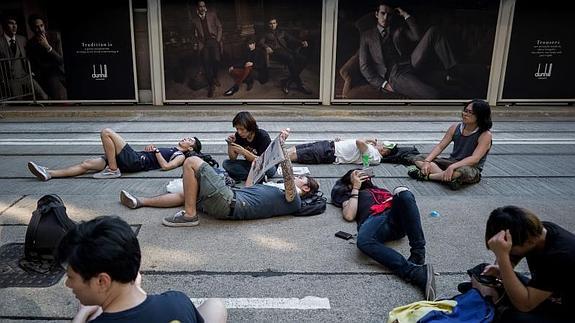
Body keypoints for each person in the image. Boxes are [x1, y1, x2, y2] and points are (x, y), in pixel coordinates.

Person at [119, 129, 320, 228]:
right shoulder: (276, 191)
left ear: (306, 188)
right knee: (188, 193)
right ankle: (140, 201)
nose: (298, 177)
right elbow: (249, 186)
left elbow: (287, 178)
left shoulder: (294, 200)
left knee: (192, 162)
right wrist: (256, 166)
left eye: (302, 178)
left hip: (229, 202)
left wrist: (281, 149)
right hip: (229, 201)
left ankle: (190, 216)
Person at [58, 216, 227, 323]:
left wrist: (81, 316)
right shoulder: (178, 302)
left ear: (102, 281)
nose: (68, 284)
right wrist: (135, 289)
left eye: (71, 277)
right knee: (215, 305)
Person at [331, 169, 435, 301]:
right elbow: (349, 215)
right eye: (356, 173)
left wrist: (400, 194)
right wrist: (355, 188)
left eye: (363, 172)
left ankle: (418, 255)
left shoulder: (379, 189)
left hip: (395, 215)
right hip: (375, 219)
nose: (362, 174)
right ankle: (414, 272)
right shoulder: (350, 194)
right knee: (363, 240)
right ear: (349, 182)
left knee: (404, 193)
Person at [481, 206, 574, 322]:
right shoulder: (533, 231)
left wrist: (502, 256)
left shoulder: (560, 256)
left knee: (511, 317)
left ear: (530, 241)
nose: (508, 253)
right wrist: (499, 267)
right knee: (481, 270)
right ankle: (492, 299)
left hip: (566, 309)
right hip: (548, 292)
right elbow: (514, 256)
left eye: (509, 249)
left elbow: (525, 305)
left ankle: (492, 302)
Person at [359, 2, 457, 99]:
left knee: (433, 31)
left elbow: (417, 37)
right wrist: (383, 84)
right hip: (395, 74)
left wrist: (406, 15)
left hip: (410, 62)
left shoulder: (397, 29)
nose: (385, 17)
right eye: (383, 13)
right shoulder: (367, 36)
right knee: (434, 95)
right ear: (377, 14)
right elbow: (364, 67)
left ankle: (452, 71)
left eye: (389, 15)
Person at [27, 128, 201, 180]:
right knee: (87, 164)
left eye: (190, 140)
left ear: (191, 149)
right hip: (130, 159)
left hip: (136, 161)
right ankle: (49, 173)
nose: (186, 138)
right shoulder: (174, 149)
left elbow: (166, 167)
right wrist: (155, 150)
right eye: (188, 137)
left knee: (106, 132)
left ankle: (112, 169)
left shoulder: (180, 156)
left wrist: (155, 151)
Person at [407, 99, 492, 190]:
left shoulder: (485, 135)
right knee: (418, 158)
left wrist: (452, 167)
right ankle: (447, 178)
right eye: (465, 111)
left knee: (462, 172)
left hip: (469, 167)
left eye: (470, 112)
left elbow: (475, 159)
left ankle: (427, 176)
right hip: (450, 162)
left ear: (480, 116)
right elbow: (440, 146)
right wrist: (427, 162)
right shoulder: (455, 127)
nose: (465, 114)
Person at [259, 17, 311, 95]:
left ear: (276, 24)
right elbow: (260, 42)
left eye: (274, 23)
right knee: (290, 59)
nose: (272, 25)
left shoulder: (282, 32)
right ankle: (300, 85)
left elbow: (291, 39)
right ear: (268, 25)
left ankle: (287, 81)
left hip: (286, 50)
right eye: (270, 23)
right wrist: (266, 47)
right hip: (275, 52)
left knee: (304, 59)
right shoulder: (265, 33)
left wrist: (301, 42)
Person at [0, 15, 48, 100]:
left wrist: (32, 71)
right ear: (4, 25)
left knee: (44, 96)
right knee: (20, 102)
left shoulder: (22, 39)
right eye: (11, 23)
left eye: (16, 24)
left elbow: (31, 56)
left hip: (25, 76)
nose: (14, 26)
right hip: (11, 80)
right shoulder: (0, 42)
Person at [223, 111, 276, 181]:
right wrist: (230, 144)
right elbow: (232, 158)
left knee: (270, 170)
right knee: (226, 163)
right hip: (250, 165)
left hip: (264, 165)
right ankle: (258, 176)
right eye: (237, 129)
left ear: (250, 127)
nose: (239, 132)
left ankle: (246, 176)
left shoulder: (263, 136)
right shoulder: (238, 136)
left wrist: (244, 152)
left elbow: (262, 161)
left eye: (242, 129)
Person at [26, 14, 67, 100]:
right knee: (58, 98)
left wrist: (47, 46)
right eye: (37, 27)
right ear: (32, 28)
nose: (40, 29)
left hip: (62, 69)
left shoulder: (55, 36)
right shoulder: (30, 44)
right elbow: (37, 66)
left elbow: (60, 60)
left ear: (44, 25)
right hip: (48, 75)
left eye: (41, 25)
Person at [191, 0, 223, 98]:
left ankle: (215, 77)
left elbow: (219, 27)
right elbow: (194, 34)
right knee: (207, 62)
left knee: (216, 60)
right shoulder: (194, 20)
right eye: (200, 6)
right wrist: (196, 43)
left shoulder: (212, 15)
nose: (202, 8)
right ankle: (211, 86)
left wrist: (217, 40)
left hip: (214, 41)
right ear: (198, 8)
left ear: (205, 7)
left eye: (203, 6)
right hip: (204, 43)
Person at [286, 137, 397, 165]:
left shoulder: (374, 156)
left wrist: (369, 139)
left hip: (329, 152)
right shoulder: (373, 151)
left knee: (293, 154)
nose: (380, 143)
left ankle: (272, 161)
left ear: (385, 151)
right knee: (294, 149)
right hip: (330, 146)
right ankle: (272, 155)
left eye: (383, 145)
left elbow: (359, 142)